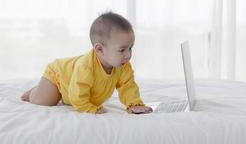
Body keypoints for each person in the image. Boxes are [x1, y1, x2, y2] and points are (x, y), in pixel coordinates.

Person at [21, 12, 152, 114]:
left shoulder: (123, 66)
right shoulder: (86, 67)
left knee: (66, 98)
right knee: (44, 101)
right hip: (58, 77)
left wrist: (135, 104)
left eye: (130, 48)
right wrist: (88, 108)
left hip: (71, 88)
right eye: (122, 50)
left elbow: (128, 86)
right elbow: (77, 95)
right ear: (100, 49)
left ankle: (44, 91)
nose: (128, 55)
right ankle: (34, 92)